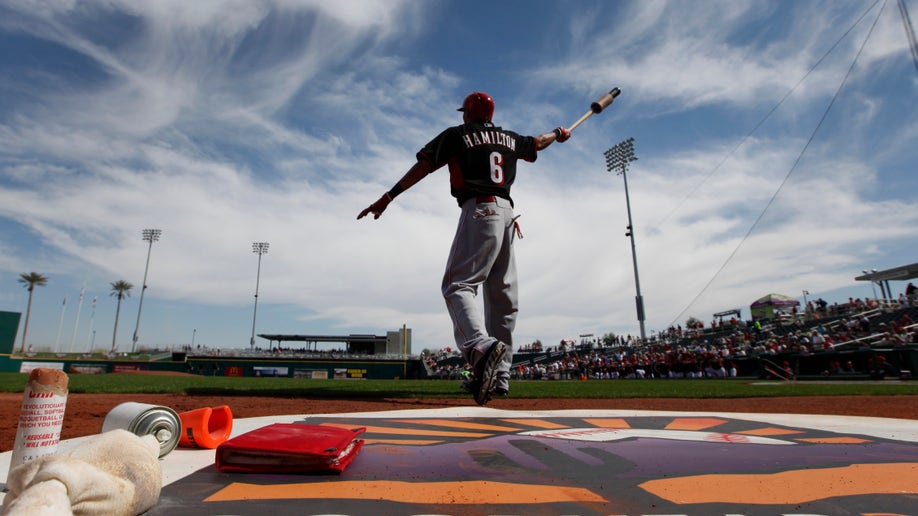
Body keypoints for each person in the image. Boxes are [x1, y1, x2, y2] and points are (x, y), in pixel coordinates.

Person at [357, 91, 571, 405]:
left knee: (458, 285)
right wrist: (559, 133)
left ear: (469, 113)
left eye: (464, 112)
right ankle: (500, 379)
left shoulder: (459, 135)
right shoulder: (509, 138)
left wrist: (389, 197)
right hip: (507, 215)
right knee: (503, 299)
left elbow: (424, 166)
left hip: (480, 210)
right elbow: (538, 142)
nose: (462, 116)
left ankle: (480, 347)